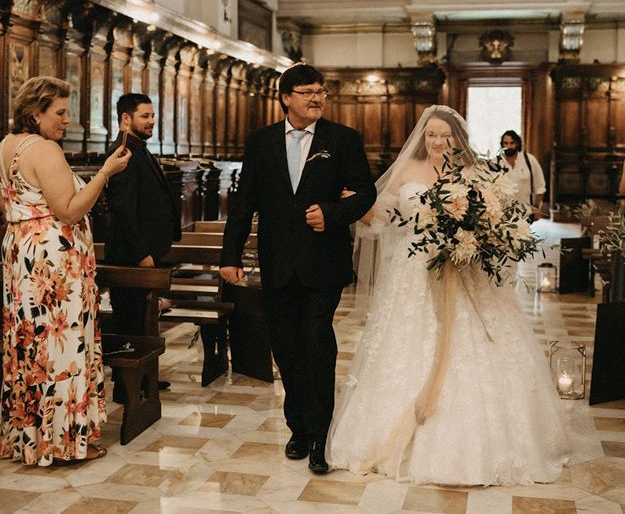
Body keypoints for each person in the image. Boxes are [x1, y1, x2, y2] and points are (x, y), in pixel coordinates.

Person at [326, 105, 570, 485]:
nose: (438, 141)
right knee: (406, 347)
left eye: (445, 135)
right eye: (431, 135)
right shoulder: (406, 170)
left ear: (459, 138)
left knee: (471, 346)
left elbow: (496, 218)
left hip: (465, 273)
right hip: (412, 276)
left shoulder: (476, 172)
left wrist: (473, 237)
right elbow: (385, 215)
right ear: (422, 138)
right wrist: (358, 208)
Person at [220, 63, 376, 474]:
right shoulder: (261, 142)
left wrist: (333, 212)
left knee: (316, 343)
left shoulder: (342, 140)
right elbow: (243, 204)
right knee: (287, 349)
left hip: (323, 263)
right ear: (286, 97)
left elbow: (365, 192)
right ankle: (298, 427)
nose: (316, 98)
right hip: (277, 263)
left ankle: (322, 435)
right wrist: (229, 257)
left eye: (321, 91)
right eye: (307, 91)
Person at [0, 76, 130, 466]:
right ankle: (64, 443)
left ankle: (29, 440)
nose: (66, 120)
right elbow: (69, 210)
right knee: (60, 347)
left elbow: (8, 209)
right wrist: (104, 173)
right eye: (59, 112)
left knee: (30, 346)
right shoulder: (45, 149)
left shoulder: (7, 146)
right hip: (53, 267)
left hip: (23, 254)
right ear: (34, 113)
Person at [104, 93, 180, 381]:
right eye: (144, 116)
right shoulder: (122, 151)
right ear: (126, 119)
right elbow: (123, 208)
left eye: (152, 115)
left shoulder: (139, 147)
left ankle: (143, 382)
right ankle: (129, 387)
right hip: (130, 256)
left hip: (144, 251)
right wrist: (141, 254)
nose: (151, 121)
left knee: (142, 323)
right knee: (130, 324)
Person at [500, 130, 546, 217]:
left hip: (525, 213)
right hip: (502, 215)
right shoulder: (496, 163)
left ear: (517, 143)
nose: (508, 146)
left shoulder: (529, 160)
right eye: (505, 143)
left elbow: (540, 186)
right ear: (502, 144)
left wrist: (537, 208)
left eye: (512, 143)